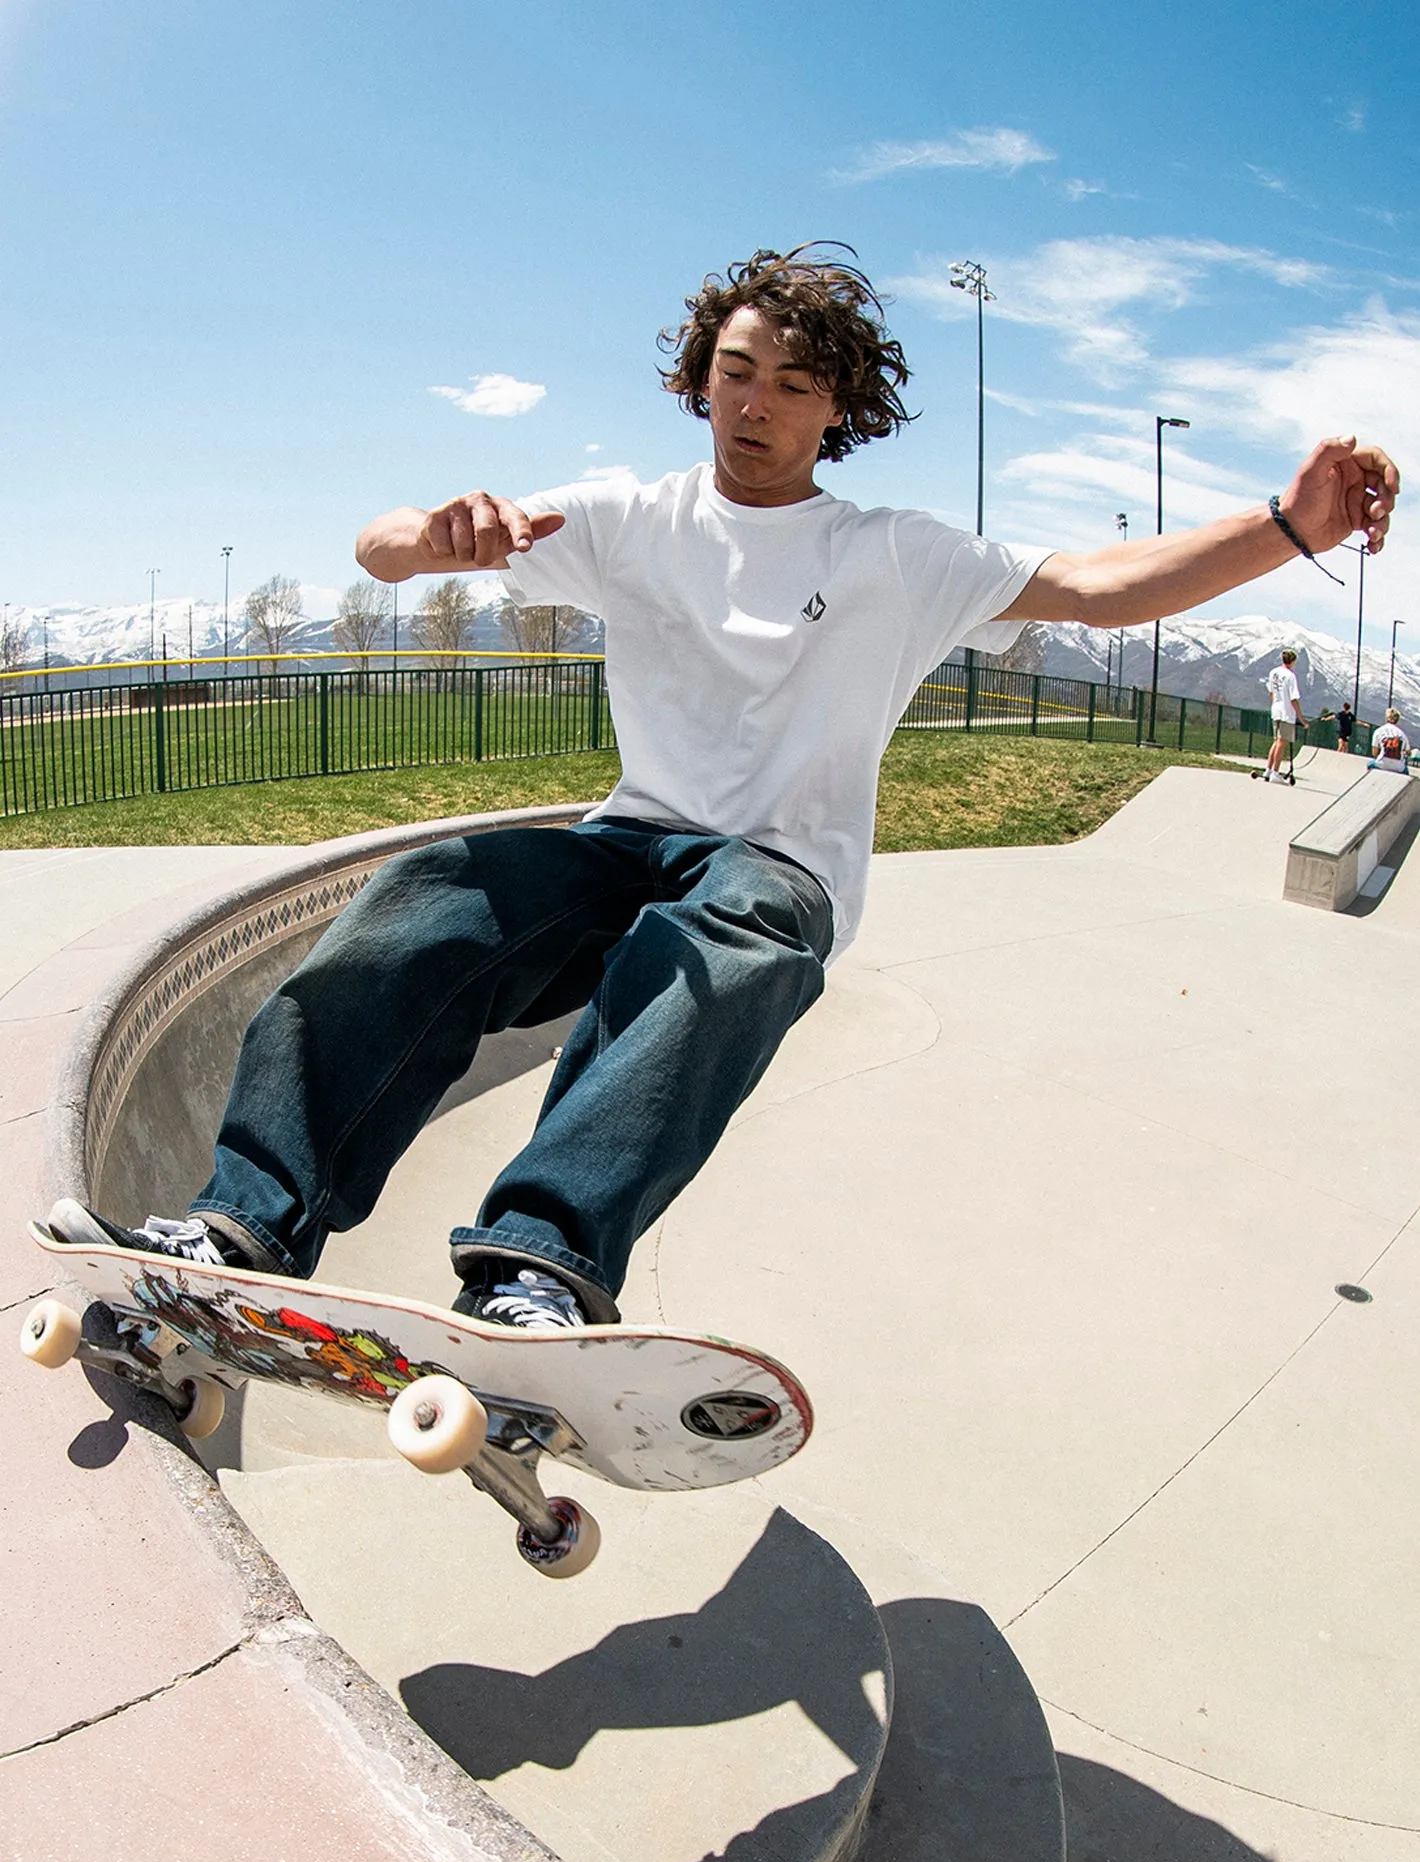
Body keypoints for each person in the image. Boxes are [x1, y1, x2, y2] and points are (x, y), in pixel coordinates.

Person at [44, 245, 1401, 1331]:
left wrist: (1291, 529)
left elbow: (1105, 590)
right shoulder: (628, 518)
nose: (758, 404)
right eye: (737, 372)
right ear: (701, 379)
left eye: (795, 384)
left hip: (775, 871)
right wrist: (428, 538)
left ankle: (536, 1266)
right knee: (423, 902)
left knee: (716, 940)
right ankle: (243, 1220)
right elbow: (381, 543)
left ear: (838, 413)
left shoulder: (894, 552)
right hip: (626, 840)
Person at [1264, 649, 1308, 782]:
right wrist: (1301, 718)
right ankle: (1275, 773)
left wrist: (1273, 705)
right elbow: (1293, 699)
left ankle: (1268, 769)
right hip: (1286, 712)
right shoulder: (1290, 676)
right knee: (1281, 743)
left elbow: (1270, 692)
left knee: (1276, 741)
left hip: (1276, 709)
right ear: (1293, 661)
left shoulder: (1274, 672)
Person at [1369, 707, 1411, 772]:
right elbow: (1408, 752)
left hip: (1381, 764)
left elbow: (1374, 753)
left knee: (1370, 764)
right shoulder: (1402, 734)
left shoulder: (1378, 731)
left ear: (1386, 718)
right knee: (1406, 770)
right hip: (1399, 767)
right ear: (1397, 720)